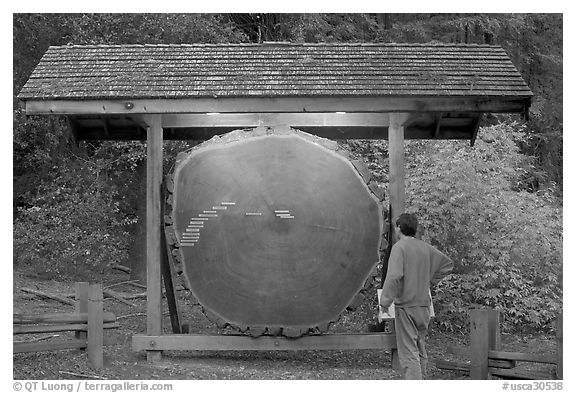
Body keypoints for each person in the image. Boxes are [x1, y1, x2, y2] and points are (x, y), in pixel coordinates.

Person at [379, 213, 453, 379]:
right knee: (419, 347)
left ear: (399, 228)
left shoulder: (400, 247)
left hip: (406, 306)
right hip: (424, 307)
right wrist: (429, 281)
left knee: (408, 352)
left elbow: (394, 276)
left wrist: (384, 303)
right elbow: (447, 265)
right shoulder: (425, 247)